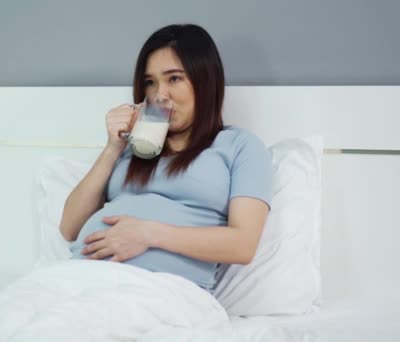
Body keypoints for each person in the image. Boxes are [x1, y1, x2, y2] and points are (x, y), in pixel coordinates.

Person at [59, 24, 272, 293]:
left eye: (174, 78)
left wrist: (147, 234)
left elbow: (243, 245)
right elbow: (69, 228)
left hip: (163, 292)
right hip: (79, 278)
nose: (160, 94)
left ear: (205, 80)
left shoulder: (240, 146)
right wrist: (113, 147)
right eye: (150, 82)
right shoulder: (131, 149)